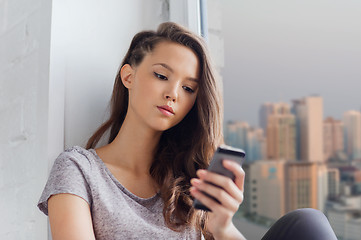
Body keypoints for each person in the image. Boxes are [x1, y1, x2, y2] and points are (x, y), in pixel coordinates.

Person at [37, 22, 336, 240]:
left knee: (307, 224)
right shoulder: (78, 170)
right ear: (128, 75)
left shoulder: (187, 181)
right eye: (161, 75)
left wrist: (222, 228)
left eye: (188, 88)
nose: (173, 94)